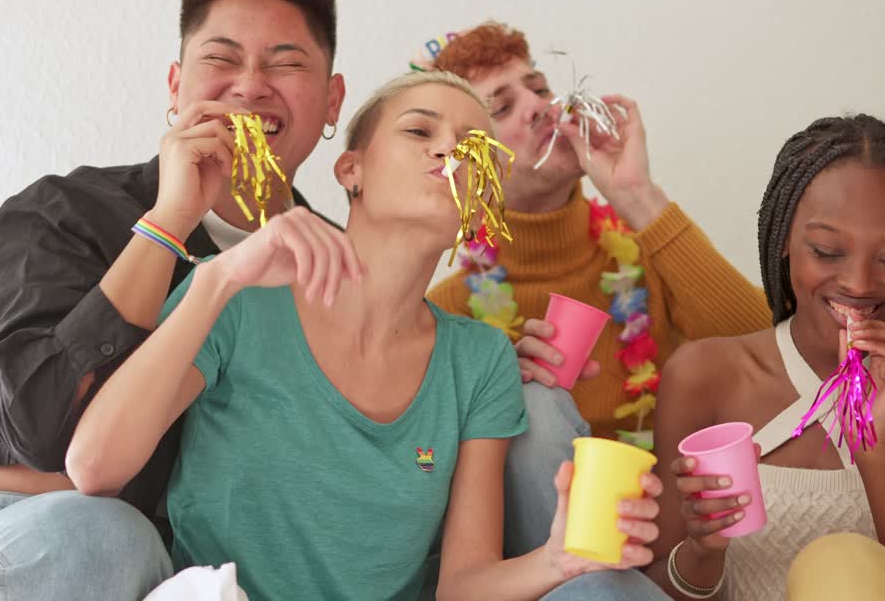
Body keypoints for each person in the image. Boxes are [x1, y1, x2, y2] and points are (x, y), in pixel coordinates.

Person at [66, 71, 666, 601]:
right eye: (418, 132)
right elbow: (93, 468)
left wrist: (557, 558)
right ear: (351, 169)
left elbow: (463, 585)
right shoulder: (240, 298)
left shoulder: (480, 360)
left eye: (473, 146)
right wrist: (216, 278)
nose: (450, 151)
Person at [0, 0, 346, 600]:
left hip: (200, 569)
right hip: (36, 540)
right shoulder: (58, 213)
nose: (251, 87)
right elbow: (41, 432)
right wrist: (170, 220)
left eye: (285, 64)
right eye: (221, 58)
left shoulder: (335, 264)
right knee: (102, 536)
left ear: (332, 103)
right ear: (177, 88)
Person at [422, 22, 770, 556]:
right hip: (546, 559)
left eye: (538, 87)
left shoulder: (647, 248)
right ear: (469, 165)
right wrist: (491, 389)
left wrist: (637, 195)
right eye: (502, 107)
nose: (538, 106)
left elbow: (773, 354)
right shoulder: (446, 311)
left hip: (680, 542)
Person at [649, 115, 885, 600]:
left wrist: (870, 451)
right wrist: (703, 549)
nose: (859, 284)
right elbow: (651, 594)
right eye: (827, 251)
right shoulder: (703, 376)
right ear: (782, 242)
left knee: (840, 563)